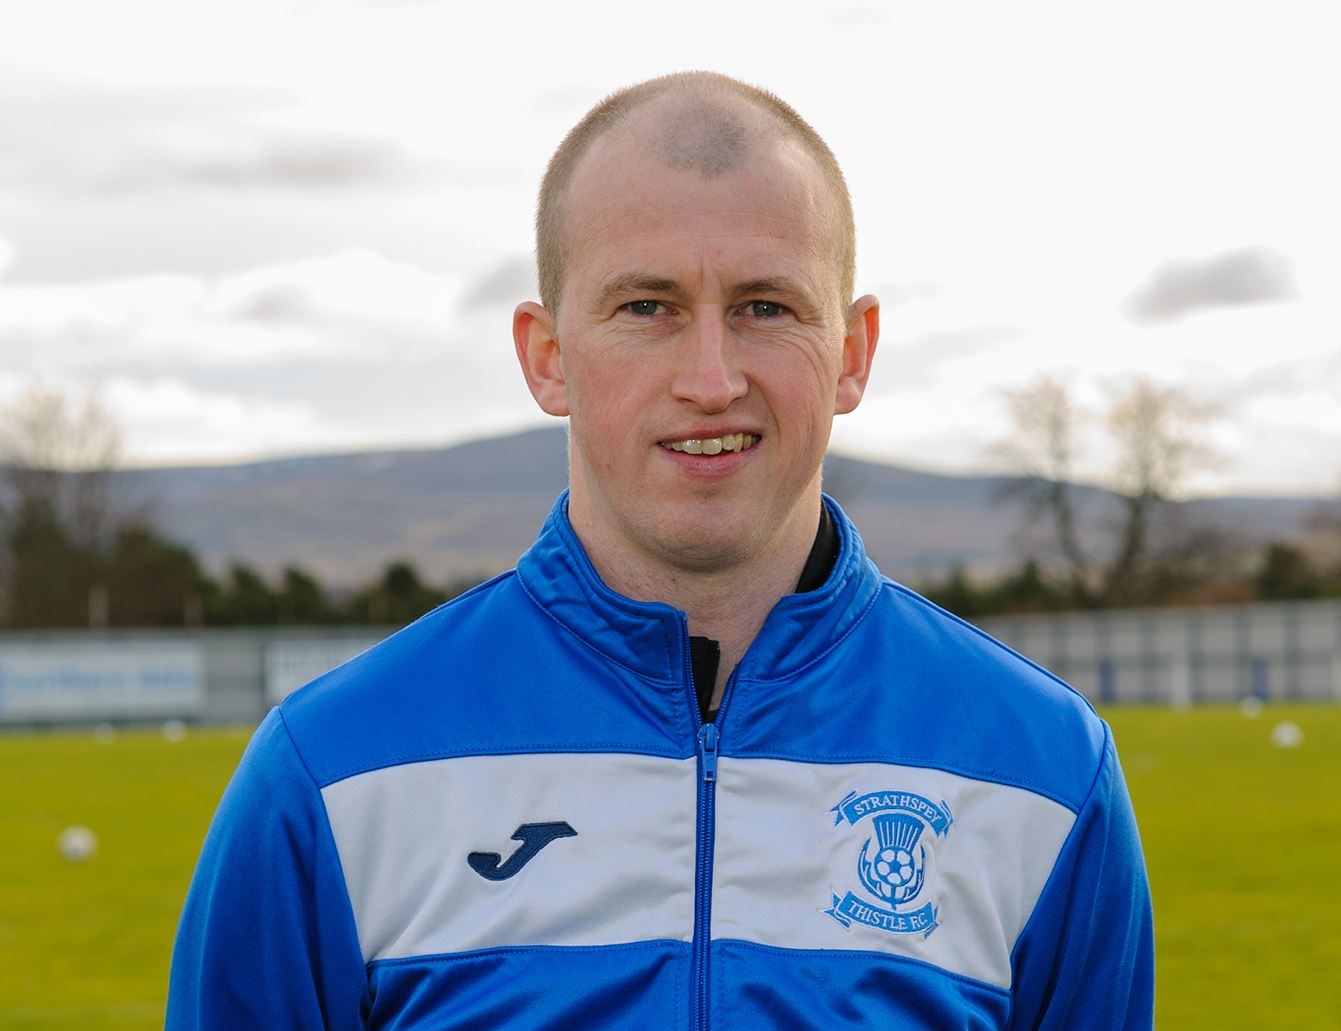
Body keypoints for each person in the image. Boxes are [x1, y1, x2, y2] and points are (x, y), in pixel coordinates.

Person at [167, 71, 1153, 1029]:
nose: (712, 378)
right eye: (649, 308)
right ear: (547, 356)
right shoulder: (333, 770)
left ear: (852, 352)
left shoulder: (1044, 772)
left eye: (767, 306)